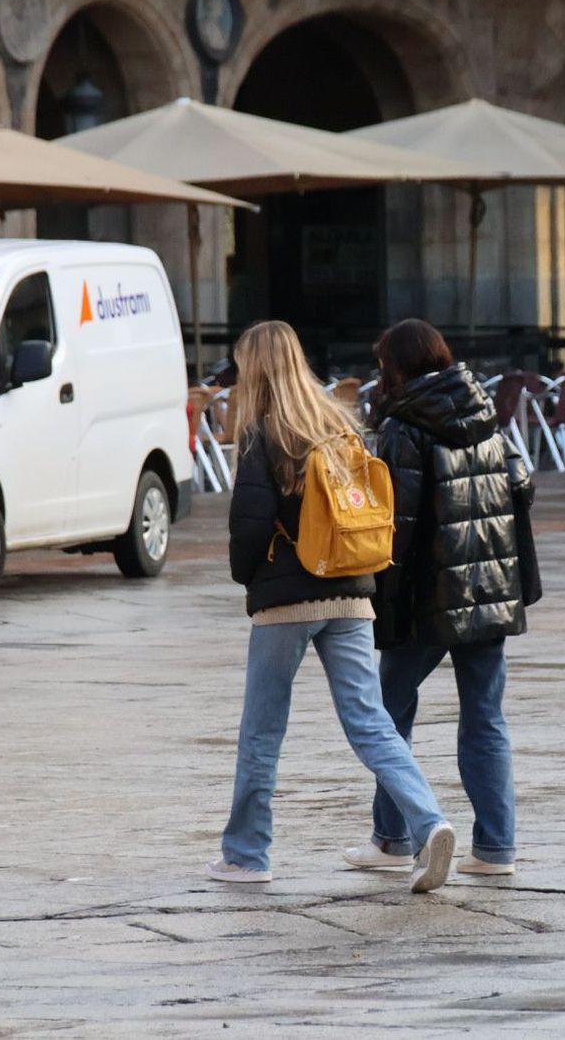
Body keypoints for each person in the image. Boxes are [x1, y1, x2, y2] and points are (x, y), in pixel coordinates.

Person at [210, 320, 456, 893]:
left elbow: (249, 529)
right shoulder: (339, 424)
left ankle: (247, 855)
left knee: (262, 731)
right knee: (371, 722)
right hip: (350, 588)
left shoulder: (264, 434)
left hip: (287, 600)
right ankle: (430, 822)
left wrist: (248, 578)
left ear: (256, 370)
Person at [342, 318, 536, 878]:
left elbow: (395, 524)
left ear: (398, 367)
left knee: (387, 714)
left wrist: (378, 599)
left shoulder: (405, 425)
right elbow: (521, 484)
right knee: (485, 718)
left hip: (426, 599)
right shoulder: (484, 413)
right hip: (491, 592)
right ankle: (495, 849)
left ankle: (392, 838)